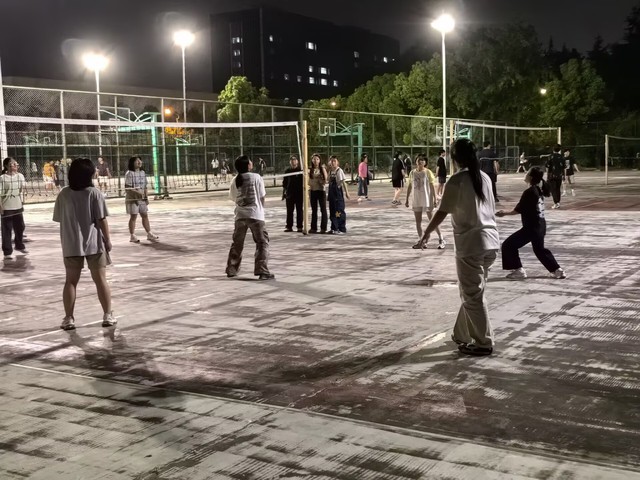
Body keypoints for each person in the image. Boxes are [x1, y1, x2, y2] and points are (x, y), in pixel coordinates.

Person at [420, 138, 500, 356]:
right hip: (491, 243)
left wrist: (426, 234)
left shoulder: (457, 180)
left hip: (471, 245)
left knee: (472, 296)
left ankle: (483, 342)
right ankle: (462, 335)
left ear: (454, 158)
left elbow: (442, 212)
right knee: (473, 293)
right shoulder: (484, 177)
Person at [53, 157, 115, 331]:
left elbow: (59, 219)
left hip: (71, 244)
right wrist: (108, 240)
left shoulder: (64, 194)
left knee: (70, 282)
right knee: (100, 280)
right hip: (94, 243)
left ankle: (68, 318)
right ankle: (107, 315)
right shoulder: (94, 193)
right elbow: (101, 219)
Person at [497, 167, 566, 280]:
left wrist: (504, 213)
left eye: (527, 173)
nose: (525, 174)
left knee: (508, 245)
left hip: (531, 227)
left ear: (531, 177)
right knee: (539, 250)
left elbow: (518, 209)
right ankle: (557, 270)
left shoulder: (529, 192)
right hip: (540, 225)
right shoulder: (538, 190)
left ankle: (518, 270)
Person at [226, 155, 274, 280]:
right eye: (250, 161)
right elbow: (262, 196)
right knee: (262, 242)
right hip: (255, 215)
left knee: (237, 243)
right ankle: (262, 270)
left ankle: (232, 269)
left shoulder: (235, 179)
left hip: (240, 215)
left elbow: (234, 198)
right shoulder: (257, 177)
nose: (252, 162)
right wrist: (261, 210)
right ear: (248, 165)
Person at [405, 155, 445, 249]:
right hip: (416, 199)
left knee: (433, 221)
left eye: (422, 160)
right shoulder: (412, 173)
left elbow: (432, 186)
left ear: (425, 163)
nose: (420, 161)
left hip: (427, 199)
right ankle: (421, 241)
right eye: (419, 160)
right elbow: (410, 186)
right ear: (416, 162)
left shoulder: (428, 172)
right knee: (418, 221)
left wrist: (435, 198)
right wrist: (407, 199)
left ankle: (441, 239)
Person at [125, 156, 159, 243]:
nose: (139, 162)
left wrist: (145, 196)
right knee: (133, 216)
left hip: (142, 198)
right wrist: (139, 194)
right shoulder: (129, 173)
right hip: (132, 198)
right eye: (137, 161)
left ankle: (149, 233)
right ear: (132, 163)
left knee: (145, 215)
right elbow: (128, 188)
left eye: (140, 160)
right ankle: (132, 235)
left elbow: (145, 186)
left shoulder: (142, 173)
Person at [1, 157, 27, 261]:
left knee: (21, 226)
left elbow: (22, 190)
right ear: (7, 166)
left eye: (16, 164)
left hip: (18, 206)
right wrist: (1, 207)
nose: (16, 165)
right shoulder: (2, 178)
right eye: (13, 164)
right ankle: (7, 252)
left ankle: (19, 244)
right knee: (7, 229)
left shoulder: (20, 176)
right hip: (7, 207)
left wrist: (22, 202)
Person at [328, 155, 350, 234]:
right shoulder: (330, 171)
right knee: (332, 211)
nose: (333, 162)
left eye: (334, 161)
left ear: (337, 162)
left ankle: (341, 228)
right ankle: (334, 227)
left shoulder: (339, 171)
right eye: (331, 161)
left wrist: (347, 193)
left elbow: (343, 182)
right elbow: (328, 181)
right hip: (331, 194)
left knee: (338, 211)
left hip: (337, 194)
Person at [282, 155, 303, 232]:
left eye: (294, 160)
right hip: (290, 194)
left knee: (299, 210)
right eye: (291, 160)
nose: (293, 161)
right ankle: (289, 226)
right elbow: (285, 183)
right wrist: (283, 193)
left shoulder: (301, 170)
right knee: (289, 211)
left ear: (297, 161)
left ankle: (300, 226)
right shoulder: (287, 171)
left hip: (299, 194)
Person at [309, 153, 328, 233]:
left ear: (319, 160)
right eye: (314, 159)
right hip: (313, 191)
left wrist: (321, 180)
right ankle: (313, 228)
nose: (315, 161)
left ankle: (323, 228)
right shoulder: (310, 170)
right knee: (314, 210)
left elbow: (325, 181)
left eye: (317, 159)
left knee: (323, 209)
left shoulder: (322, 169)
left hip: (321, 191)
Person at [545, 144, 564, 209]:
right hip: (559, 175)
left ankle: (556, 203)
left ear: (553, 149)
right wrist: (563, 175)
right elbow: (564, 167)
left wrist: (547, 175)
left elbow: (547, 167)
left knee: (553, 190)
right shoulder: (562, 157)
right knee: (558, 189)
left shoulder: (550, 157)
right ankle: (558, 202)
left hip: (552, 176)